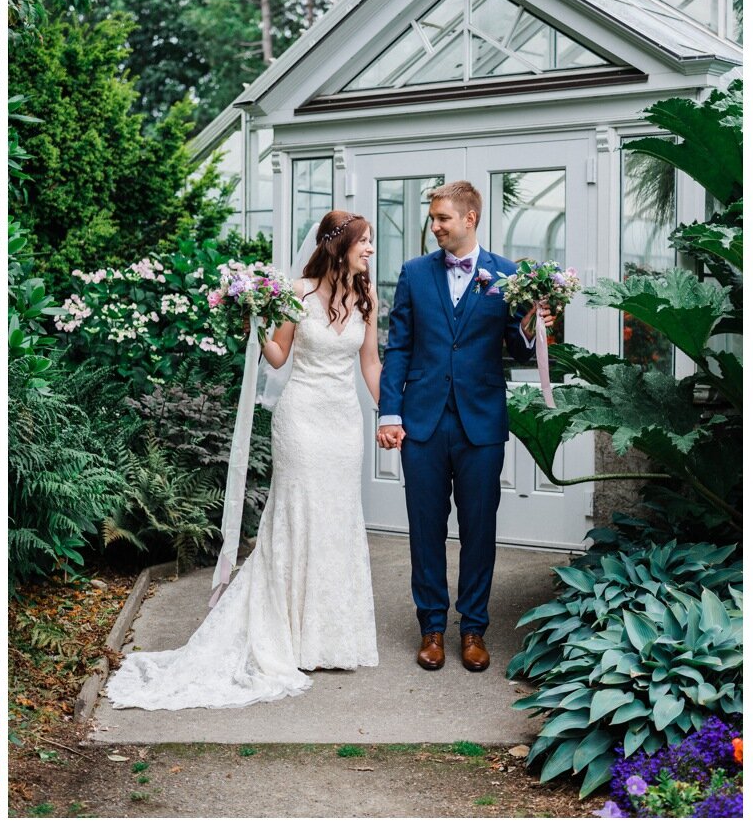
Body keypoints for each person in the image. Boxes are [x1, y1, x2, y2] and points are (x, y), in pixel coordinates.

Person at [106, 211, 383, 710]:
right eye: (365, 242)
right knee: (298, 514)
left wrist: (391, 413)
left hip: (344, 424)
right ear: (339, 245)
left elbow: (369, 361)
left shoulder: (367, 296)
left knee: (337, 517)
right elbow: (278, 356)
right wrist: (254, 322)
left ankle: (328, 637)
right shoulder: (296, 293)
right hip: (300, 419)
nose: (370, 250)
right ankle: (289, 636)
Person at [377, 180, 552, 673]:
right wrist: (391, 412)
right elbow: (399, 349)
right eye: (433, 219)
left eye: (442, 219)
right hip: (424, 424)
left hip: (481, 423)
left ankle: (473, 628)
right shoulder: (414, 274)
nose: (434, 227)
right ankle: (431, 627)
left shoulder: (509, 274)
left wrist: (534, 323)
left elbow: (518, 350)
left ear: (470, 218)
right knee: (424, 529)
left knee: (480, 529)